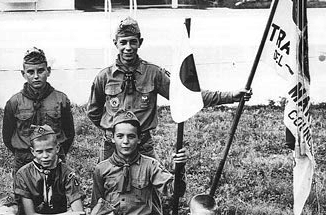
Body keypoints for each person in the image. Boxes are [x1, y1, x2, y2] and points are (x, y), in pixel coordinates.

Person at [87, 16, 250, 160]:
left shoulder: (153, 74)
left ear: (140, 42)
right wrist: (112, 130)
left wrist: (231, 96)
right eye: (123, 42)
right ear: (115, 43)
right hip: (112, 146)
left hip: (142, 145)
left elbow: (187, 95)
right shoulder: (104, 76)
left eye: (133, 42)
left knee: (153, 189)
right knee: (106, 188)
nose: (128, 47)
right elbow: (93, 110)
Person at [91, 111, 187, 215]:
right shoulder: (102, 168)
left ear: (139, 138)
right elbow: (96, 204)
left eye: (131, 136)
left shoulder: (150, 165)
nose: (126, 141)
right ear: (112, 138)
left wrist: (180, 167)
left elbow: (174, 191)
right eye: (120, 136)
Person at [3, 47, 74, 172]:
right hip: (25, 159)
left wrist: (56, 152)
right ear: (23, 74)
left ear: (48, 71)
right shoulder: (14, 102)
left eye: (40, 71)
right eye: (30, 72)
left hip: (53, 158)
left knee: (57, 191)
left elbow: (69, 133)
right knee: (24, 191)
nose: (36, 76)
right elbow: (7, 136)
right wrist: (23, 152)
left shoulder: (61, 99)